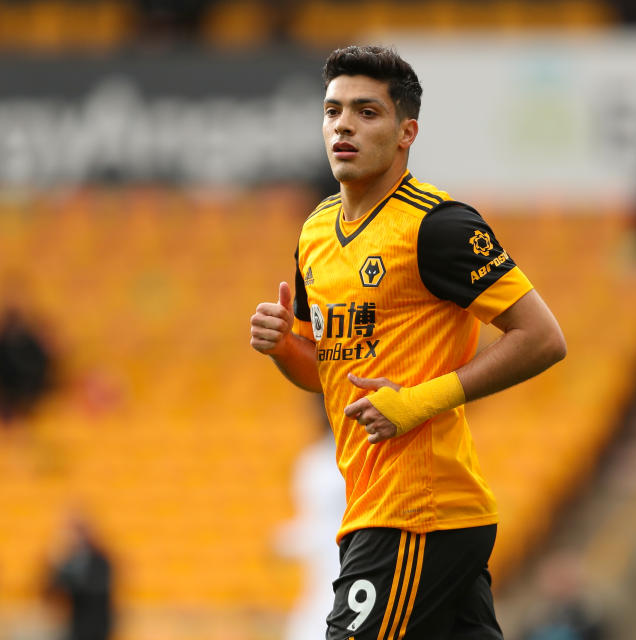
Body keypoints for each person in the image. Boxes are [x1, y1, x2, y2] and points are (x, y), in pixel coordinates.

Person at [249, 45, 566, 640]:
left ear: (406, 132)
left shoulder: (438, 225)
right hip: (383, 506)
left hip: (416, 511)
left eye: (366, 112)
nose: (343, 124)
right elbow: (331, 373)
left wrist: (417, 401)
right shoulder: (315, 232)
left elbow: (544, 339)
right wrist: (284, 349)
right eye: (333, 110)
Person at [275, 397, 346, 640]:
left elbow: (317, 530)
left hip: (344, 577)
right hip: (326, 580)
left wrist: (287, 541)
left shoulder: (317, 464)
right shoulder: (315, 462)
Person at [44, 512, 115, 640]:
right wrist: (55, 567)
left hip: (97, 627)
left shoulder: (101, 559)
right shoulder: (69, 561)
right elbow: (51, 590)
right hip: (74, 627)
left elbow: (96, 589)